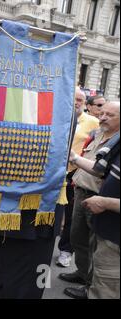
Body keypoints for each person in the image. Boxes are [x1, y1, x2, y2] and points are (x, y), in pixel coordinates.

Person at [59, 101, 120, 299]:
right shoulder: (97, 134)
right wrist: (74, 158)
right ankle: (84, 274)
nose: (103, 117)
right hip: (82, 194)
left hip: (100, 203)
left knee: (97, 249)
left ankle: (89, 284)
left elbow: (100, 171)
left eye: (110, 115)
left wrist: (104, 201)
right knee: (78, 238)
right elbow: (97, 168)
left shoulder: (116, 142)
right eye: (102, 113)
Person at [56, 89, 99, 268]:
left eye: (80, 99)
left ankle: (65, 251)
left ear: (85, 103)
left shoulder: (93, 123)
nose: (76, 102)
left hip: (75, 173)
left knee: (71, 217)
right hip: (54, 171)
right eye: (74, 99)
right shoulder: (57, 116)